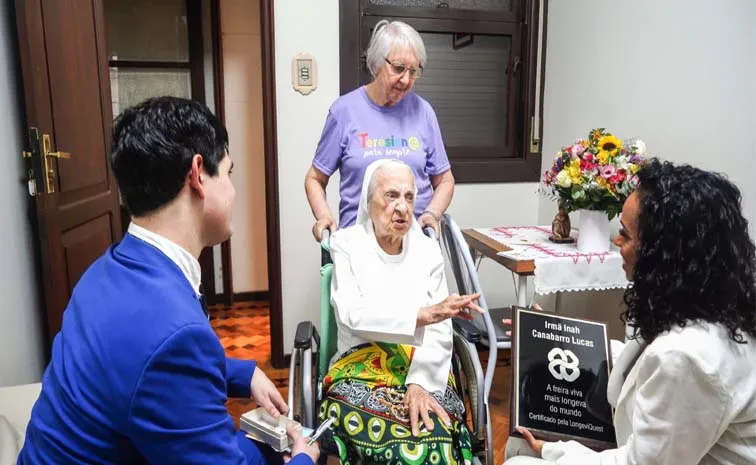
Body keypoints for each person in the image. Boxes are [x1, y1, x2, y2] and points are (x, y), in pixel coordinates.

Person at [18, 97, 319, 465]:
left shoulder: (106, 270)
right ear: (197, 175)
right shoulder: (173, 334)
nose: (233, 189)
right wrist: (304, 458)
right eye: (228, 172)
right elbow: (162, 352)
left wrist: (244, 373)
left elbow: (143, 365)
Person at [505, 159, 756, 465]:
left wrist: (555, 451)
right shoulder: (711, 302)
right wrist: (555, 335)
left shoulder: (687, 355)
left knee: (519, 460)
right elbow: (639, 364)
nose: (616, 241)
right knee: (519, 446)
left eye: (625, 233)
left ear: (660, 251)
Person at [320, 159, 483, 465]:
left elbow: (439, 329)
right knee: (396, 449)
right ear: (369, 203)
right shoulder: (347, 246)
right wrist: (424, 314)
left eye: (409, 197)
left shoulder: (427, 251)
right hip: (360, 367)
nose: (403, 207)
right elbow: (353, 313)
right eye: (391, 196)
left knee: (435, 441)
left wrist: (420, 382)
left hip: (424, 365)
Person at [305, 19, 455, 241]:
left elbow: (445, 180)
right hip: (358, 246)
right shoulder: (344, 111)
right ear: (377, 63)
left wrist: (432, 214)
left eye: (413, 71)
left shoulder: (424, 113)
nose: (406, 79)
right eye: (398, 68)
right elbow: (314, 179)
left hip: (412, 246)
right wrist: (324, 216)